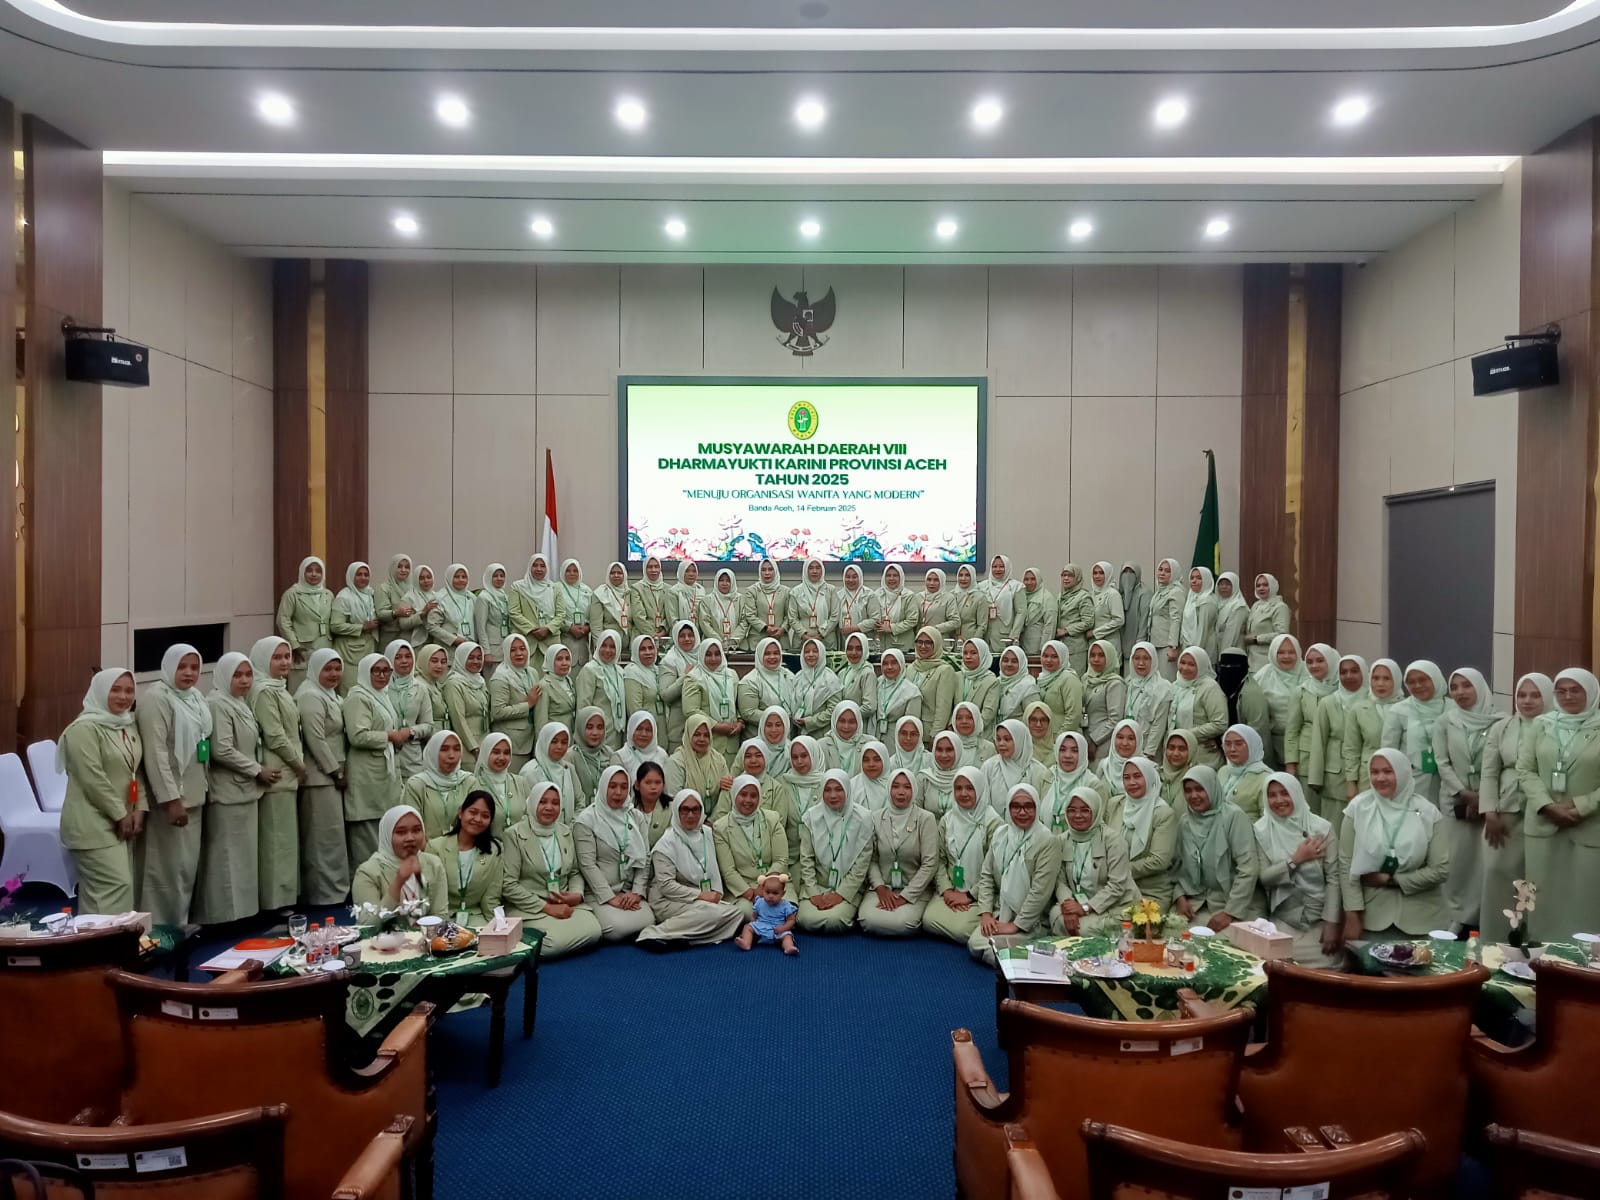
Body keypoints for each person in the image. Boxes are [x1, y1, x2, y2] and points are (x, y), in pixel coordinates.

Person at [1516, 668, 1600, 942]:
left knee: (1585, 901)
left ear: (1591, 692)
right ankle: (1539, 957)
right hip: (1543, 825)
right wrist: (1547, 805)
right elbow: (1525, 770)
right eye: (1561, 690)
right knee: (1541, 900)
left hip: (1588, 827)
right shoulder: (1541, 724)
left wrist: (1580, 805)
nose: (1567, 696)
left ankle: (1583, 960)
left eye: (1575, 690)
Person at [136, 644, 211, 927]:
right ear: (168, 667)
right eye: (182, 667)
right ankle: (160, 929)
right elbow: (156, 755)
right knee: (166, 869)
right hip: (172, 799)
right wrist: (171, 800)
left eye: (194, 667)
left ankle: (178, 923)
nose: (189, 673)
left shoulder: (194, 697)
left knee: (185, 868)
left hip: (195, 793)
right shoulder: (157, 699)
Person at [59, 668, 144, 915]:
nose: (123, 696)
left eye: (129, 690)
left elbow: (136, 771)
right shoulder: (82, 730)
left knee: (111, 891)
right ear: (99, 691)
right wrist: (120, 814)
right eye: (115, 690)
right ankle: (105, 938)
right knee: (115, 887)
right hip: (91, 823)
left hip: (121, 820)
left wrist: (140, 808)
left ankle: (109, 938)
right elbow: (93, 779)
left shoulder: (126, 724)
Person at [1340, 749, 1449, 940]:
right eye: (1374, 772)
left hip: (1422, 918)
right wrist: (1352, 914)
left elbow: (1440, 870)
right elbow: (1345, 865)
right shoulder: (1358, 809)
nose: (1380, 778)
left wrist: (1391, 880)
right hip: (1372, 917)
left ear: (1402, 772)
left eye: (1388, 771)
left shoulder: (1428, 812)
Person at [1477, 673, 1554, 943]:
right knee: (1497, 874)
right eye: (1521, 695)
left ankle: (1532, 939)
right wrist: (1489, 810)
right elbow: (1489, 772)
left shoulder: (1555, 727)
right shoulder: (1502, 728)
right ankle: (1497, 939)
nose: (1527, 701)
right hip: (1504, 813)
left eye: (1535, 695)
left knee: (1534, 880)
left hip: (1542, 813)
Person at [195, 652, 270, 925]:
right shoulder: (218, 704)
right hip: (227, 792)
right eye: (237, 675)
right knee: (225, 857)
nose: (244, 680)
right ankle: (222, 917)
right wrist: (257, 769)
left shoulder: (239, 702)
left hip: (245, 791)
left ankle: (242, 914)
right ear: (225, 676)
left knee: (242, 857)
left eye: (248, 674)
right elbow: (221, 750)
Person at [500, 782, 603, 957]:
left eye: (555, 803)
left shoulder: (564, 831)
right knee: (551, 943)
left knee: (595, 931)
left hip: (563, 902)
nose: (549, 807)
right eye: (542, 802)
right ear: (533, 803)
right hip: (530, 906)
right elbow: (509, 884)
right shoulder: (514, 835)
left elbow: (575, 872)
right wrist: (546, 907)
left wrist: (577, 894)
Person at [1254, 772, 1343, 967]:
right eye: (1272, 795)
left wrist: (1331, 923)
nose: (1279, 800)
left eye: (1285, 793)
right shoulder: (1261, 830)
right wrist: (1296, 860)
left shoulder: (1322, 828)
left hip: (1317, 917)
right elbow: (1264, 878)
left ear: (1296, 793)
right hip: (1285, 917)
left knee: (1330, 962)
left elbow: (1334, 878)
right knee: (1273, 961)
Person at [1434, 667, 1498, 933]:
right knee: (1457, 860)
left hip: (1490, 802)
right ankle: (1456, 916)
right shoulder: (1445, 721)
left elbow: (1502, 763)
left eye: (1467, 685)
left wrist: (1483, 798)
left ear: (1480, 687)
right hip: (1456, 800)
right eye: (1455, 687)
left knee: (1486, 861)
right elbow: (1441, 762)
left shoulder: (1500, 721)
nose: (1460, 692)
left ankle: (1484, 916)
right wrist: (1464, 793)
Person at [969, 784, 1062, 964]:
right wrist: (986, 914)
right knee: (975, 944)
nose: (1022, 812)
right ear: (1008, 808)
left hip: (1032, 921)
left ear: (1037, 807)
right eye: (1016, 806)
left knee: (989, 951)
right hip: (1001, 912)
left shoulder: (1047, 841)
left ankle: (1031, 954)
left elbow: (1040, 891)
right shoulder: (1001, 834)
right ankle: (1025, 956)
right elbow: (987, 876)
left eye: (1028, 806)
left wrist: (1016, 925)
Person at [638, 790, 746, 946]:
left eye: (695, 810)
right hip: (668, 900)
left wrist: (713, 893)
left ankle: (686, 939)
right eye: (685, 810)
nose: (690, 815)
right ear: (677, 811)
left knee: (736, 914)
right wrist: (701, 895)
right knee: (712, 913)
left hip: (701, 898)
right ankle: (654, 934)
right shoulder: (666, 844)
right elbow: (667, 886)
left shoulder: (707, 833)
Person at [1171, 765, 1262, 931]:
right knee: (1169, 935)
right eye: (1188, 791)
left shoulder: (1234, 817)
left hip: (1229, 904)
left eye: (1200, 789)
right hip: (1195, 902)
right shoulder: (1185, 822)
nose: (1194, 796)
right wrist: (1180, 897)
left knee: (1222, 942)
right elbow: (1177, 868)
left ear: (1212, 788)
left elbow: (1248, 869)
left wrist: (1230, 913)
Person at [249, 637, 304, 913]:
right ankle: (275, 902)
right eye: (277, 657)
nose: (284, 662)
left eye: (287, 656)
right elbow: (275, 736)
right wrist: (298, 764)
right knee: (276, 841)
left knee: (286, 840)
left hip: (288, 773)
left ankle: (285, 896)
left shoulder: (278, 687)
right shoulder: (263, 691)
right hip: (278, 773)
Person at [572, 765, 655, 942]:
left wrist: (637, 892)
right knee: (616, 928)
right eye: (612, 786)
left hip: (628, 891)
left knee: (649, 919)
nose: (618, 792)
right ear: (603, 787)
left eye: (624, 787)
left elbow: (645, 857)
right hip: (599, 894)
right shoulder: (586, 820)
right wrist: (610, 897)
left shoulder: (635, 817)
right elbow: (587, 865)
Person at [294, 649, 350, 905]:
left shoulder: (330, 694)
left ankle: (334, 891)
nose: (334, 674)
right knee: (321, 839)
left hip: (332, 776)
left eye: (337, 669)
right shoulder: (310, 695)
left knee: (332, 836)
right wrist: (334, 770)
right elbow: (315, 739)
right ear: (316, 669)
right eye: (328, 669)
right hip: (319, 777)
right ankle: (322, 895)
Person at [342, 652, 410, 865]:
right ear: (365, 672)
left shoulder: (380, 695)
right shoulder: (358, 697)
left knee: (382, 838)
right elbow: (357, 735)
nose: (382, 675)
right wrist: (390, 736)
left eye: (386, 671)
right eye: (376, 671)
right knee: (366, 844)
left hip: (382, 775)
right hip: (366, 776)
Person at [859, 767, 940, 936]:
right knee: (867, 919)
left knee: (902, 923)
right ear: (888, 789)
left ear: (914, 790)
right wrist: (880, 888)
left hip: (915, 889)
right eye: (895, 786)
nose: (901, 792)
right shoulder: (876, 817)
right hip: (883, 887)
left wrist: (905, 896)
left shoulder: (926, 818)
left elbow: (930, 863)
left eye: (907, 787)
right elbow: (871, 859)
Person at [921, 768, 998, 944]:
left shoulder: (993, 823)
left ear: (980, 789)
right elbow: (939, 860)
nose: (963, 793)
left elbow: (994, 870)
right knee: (928, 920)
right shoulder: (947, 820)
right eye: (958, 788)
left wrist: (969, 896)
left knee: (961, 928)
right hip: (952, 888)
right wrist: (947, 890)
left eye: (970, 788)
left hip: (980, 894)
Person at [1051, 786, 1137, 938]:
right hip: (1077, 904)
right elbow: (1060, 881)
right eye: (1072, 810)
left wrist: (1085, 908)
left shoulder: (1113, 841)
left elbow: (1117, 885)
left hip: (1113, 906)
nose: (1078, 815)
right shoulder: (1061, 840)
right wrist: (1069, 906)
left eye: (1085, 810)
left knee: (1085, 930)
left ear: (1096, 811)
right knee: (1056, 915)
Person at [796, 770, 875, 933]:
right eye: (827, 790)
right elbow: (806, 860)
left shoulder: (864, 818)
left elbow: (861, 865)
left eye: (839, 789)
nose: (833, 795)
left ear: (847, 789)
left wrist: (840, 894)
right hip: (819, 885)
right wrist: (813, 893)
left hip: (847, 888)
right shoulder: (811, 817)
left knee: (835, 920)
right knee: (805, 919)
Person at [351, 805, 447, 916]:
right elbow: (368, 922)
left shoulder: (433, 864)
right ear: (387, 835)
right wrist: (399, 881)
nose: (410, 838)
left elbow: (440, 915)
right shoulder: (367, 873)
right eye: (401, 832)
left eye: (417, 830)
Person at [715, 775, 791, 913]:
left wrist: (768, 886)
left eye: (753, 796)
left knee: (787, 910)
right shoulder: (721, 828)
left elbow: (781, 859)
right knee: (748, 912)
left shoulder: (772, 819)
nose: (748, 800)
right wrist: (751, 893)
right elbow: (728, 871)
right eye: (743, 795)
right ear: (734, 795)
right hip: (745, 888)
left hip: (776, 882)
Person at [428, 791, 504, 928]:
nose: (478, 819)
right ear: (460, 812)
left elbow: (491, 898)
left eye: (485, 816)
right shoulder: (435, 847)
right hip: (443, 918)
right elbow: (432, 896)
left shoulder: (495, 851)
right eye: (473, 812)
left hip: (476, 918)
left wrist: (497, 927)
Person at [1309, 653, 1367, 828]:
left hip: (1365, 775)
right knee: (1334, 828)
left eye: (1354, 671)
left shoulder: (1372, 701)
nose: (1348, 676)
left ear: (1364, 672)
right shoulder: (1328, 703)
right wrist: (1316, 779)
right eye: (1343, 672)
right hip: (1334, 779)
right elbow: (1318, 742)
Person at [1382, 659, 1448, 806]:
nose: (1417, 685)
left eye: (1423, 680)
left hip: (1447, 784)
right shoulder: (1399, 710)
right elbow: (1389, 753)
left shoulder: (1453, 708)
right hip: (1411, 783)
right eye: (1411, 682)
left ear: (1435, 678)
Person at [1285, 643, 1339, 812]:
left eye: (1320, 660)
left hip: (1334, 759)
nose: (1314, 665)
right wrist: (1291, 765)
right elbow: (1292, 730)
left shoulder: (1342, 689)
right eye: (1309, 661)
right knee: (1309, 810)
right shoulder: (1300, 691)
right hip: (1306, 761)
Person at [1343, 657, 1403, 799]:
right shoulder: (1358, 709)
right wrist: (1351, 782)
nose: (1380, 684)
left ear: (1396, 680)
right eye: (1376, 678)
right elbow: (1351, 749)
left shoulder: (1407, 708)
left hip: (1400, 775)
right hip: (1368, 776)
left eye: (1386, 678)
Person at [1122, 756, 1177, 908]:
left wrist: (1118, 870)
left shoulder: (1163, 814)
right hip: (1117, 889)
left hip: (1151, 891)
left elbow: (1158, 861)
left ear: (1149, 777)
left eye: (1137, 776)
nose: (1131, 782)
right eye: (1126, 777)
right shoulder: (1116, 805)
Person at [277, 556, 335, 691]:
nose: (314, 574)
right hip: (302, 650)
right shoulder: (292, 594)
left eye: (318, 571)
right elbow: (283, 621)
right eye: (309, 570)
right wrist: (294, 645)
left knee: (323, 687)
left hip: (325, 646)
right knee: (300, 689)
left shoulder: (328, 594)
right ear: (302, 572)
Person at [402, 731, 472, 838]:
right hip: (427, 846)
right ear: (433, 752)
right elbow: (411, 828)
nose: (451, 756)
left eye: (457, 749)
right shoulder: (416, 785)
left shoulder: (469, 781)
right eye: (444, 749)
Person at [682, 638, 744, 760]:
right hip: (707, 741)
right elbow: (690, 710)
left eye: (717, 654)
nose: (713, 659)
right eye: (708, 654)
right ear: (701, 655)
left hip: (731, 743)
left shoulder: (732, 675)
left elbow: (738, 704)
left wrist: (740, 722)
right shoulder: (694, 678)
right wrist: (716, 726)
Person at [488, 633, 541, 771]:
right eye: (513, 650)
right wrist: (528, 705)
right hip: (512, 743)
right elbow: (498, 712)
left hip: (531, 739)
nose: (519, 653)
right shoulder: (500, 678)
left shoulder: (532, 672)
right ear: (506, 652)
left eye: (522, 649)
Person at [1168, 647, 1228, 766]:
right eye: (1182, 662)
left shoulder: (1210, 688)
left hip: (1202, 755)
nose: (1185, 668)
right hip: (1176, 752)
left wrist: (1187, 735)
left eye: (1191, 664)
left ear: (1201, 665)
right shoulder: (1176, 685)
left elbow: (1220, 723)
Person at [666, 713, 733, 819]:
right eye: (697, 734)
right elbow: (674, 799)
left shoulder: (718, 759)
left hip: (715, 822)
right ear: (688, 734)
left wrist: (712, 821)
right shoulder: (676, 762)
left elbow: (726, 794)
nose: (702, 739)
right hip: (685, 819)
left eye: (706, 735)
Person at [1215, 648, 1274, 766]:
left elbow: (1258, 732)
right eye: (1224, 666)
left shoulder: (1252, 694)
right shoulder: (1215, 686)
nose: (1228, 669)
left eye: (1233, 666)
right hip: (1219, 753)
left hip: (1247, 757)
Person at [1255, 633, 1307, 767]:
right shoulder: (1263, 675)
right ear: (1273, 653)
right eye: (1281, 652)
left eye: (1291, 652)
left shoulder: (1309, 673)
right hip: (1273, 744)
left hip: (1306, 744)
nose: (1286, 656)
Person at [384, 641, 434, 778]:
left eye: (408, 656)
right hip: (385, 753)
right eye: (398, 657)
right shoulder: (382, 687)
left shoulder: (420, 688)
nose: (404, 661)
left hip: (411, 755)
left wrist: (411, 732)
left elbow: (429, 725)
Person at [331, 562, 381, 693]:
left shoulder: (371, 594)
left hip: (368, 648)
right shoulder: (344, 596)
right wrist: (362, 627)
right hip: (349, 652)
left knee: (368, 688)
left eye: (366, 575)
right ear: (351, 576)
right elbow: (335, 626)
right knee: (350, 689)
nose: (363, 578)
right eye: (359, 574)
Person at [520, 722, 584, 822]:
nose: (559, 746)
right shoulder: (529, 772)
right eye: (554, 741)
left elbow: (580, 802)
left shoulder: (568, 768)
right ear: (545, 741)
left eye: (564, 742)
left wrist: (572, 826)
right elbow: (524, 809)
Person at [576, 631, 627, 750]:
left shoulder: (619, 671)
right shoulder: (590, 670)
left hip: (617, 733)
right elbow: (583, 707)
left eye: (612, 646)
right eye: (604, 645)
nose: (608, 650)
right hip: (596, 734)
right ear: (598, 646)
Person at [1123, 643, 1174, 758]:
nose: (1141, 663)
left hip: (1148, 750)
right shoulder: (1128, 683)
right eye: (1137, 658)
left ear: (1154, 660)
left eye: (1146, 658)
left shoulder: (1162, 688)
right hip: (1127, 745)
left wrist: (1149, 752)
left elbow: (1159, 724)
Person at [509, 555, 562, 663]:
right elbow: (514, 612)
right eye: (535, 565)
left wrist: (547, 629)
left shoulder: (555, 588)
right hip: (526, 642)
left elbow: (561, 614)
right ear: (529, 567)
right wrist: (532, 629)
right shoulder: (518, 587)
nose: (539, 569)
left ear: (547, 568)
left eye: (542, 566)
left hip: (550, 642)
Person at [441, 642, 490, 758]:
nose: (476, 661)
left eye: (479, 658)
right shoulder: (454, 684)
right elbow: (458, 719)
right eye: (471, 658)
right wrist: (474, 747)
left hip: (485, 741)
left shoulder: (480, 681)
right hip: (467, 746)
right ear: (461, 658)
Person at [985, 719, 1048, 809]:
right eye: (998, 739)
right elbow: (984, 803)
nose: (1001, 743)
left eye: (1007, 739)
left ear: (1020, 740)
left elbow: (1044, 807)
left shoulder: (1039, 771)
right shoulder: (989, 767)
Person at [1041, 731, 1097, 831]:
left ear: (1083, 753)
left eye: (1075, 751)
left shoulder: (1093, 785)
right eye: (1062, 750)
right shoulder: (1046, 777)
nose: (1067, 755)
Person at [474, 733, 526, 836]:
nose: (501, 758)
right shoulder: (474, 784)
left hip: (518, 844)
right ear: (486, 752)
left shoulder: (520, 782)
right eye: (496, 752)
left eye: (506, 753)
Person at [658, 621, 699, 751]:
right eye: (682, 636)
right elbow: (666, 695)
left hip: (701, 726)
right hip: (679, 728)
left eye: (690, 635)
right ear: (675, 637)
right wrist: (685, 677)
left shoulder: (704, 656)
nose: (687, 639)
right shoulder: (669, 661)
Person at [1082, 640, 1126, 759]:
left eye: (1101, 655)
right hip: (1084, 737)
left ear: (1110, 656)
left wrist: (1094, 741)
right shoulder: (1086, 678)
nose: (1096, 659)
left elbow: (1115, 719)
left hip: (1103, 742)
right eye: (1092, 655)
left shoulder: (1115, 683)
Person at [1218, 724, 1272, 821]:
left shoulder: (1266, 778)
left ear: (1252, 745)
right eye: (1228, 744)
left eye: (1238, 744)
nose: (1232, 749)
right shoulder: (1223, 771)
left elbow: (1268, 821)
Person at [735, 873, 800, 954]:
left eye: (775, 893)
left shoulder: (786, 906)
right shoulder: (759, 902)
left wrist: (783, 928)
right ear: (763, 890)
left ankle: (788, 947)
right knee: (747, 927)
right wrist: (752, 925)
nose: (770, 896)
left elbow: (791, 920)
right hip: (761, 928)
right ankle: (746, 942)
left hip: (778, 930)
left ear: (783, 893)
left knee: (787, 936)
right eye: (767, 892)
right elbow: (754, 916)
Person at [791, 637, 842, 737]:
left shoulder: (830, 678)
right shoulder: (798, 677)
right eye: (807, 652)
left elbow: (833, 710)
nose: (811, 655)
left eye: (815, 651)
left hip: (822, 734)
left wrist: (809, 722)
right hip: (799, 733)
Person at [911, 627, 957, 740]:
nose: (923, 646)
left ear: (936, 644)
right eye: (919, 642)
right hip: (910, 731)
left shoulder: (945, 670)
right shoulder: (911, 668)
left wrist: (935, 734)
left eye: (928, 642)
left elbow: (943, 708)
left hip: (929, 732)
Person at [623, 635, 669, 748]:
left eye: (650, 648)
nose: (648, 652)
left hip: (661, 727)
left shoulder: (657, 670)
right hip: (643, 731)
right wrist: (644, 730)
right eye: (642, 649)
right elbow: (634, 710)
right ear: (635, 651)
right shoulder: (632, 672)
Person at [1243, 574, 1292, 672]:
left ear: (1273, 586)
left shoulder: (1280, 607)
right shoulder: (1256, 605)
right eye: (1258, 585)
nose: (1261, 588)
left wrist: (1257, 639)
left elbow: (1282, 634)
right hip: (1251, 659)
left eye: (1265, 585)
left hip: (1267, 660)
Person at [1146, 558, 1185, 681]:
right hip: (1155, 643)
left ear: (1174, 574)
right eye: (1160, 570)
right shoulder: (1160, 591)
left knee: (1166, 680)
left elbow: (1176, 619)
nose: (1162, 573)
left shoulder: (1176, 591)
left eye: (1167, 571)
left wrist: (1173, 647)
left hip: (1166, 645)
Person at [1035, 640, 1083, 736]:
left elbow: (1074, 715)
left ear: (1062, 657)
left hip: (1064, 737)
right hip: (1046, 736)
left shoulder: (1069, 679)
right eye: (1045, 656)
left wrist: (1060, 737)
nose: (1049, 660)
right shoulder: (1042, 678)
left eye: (1054, 656)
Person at [787, 557, 837, 649]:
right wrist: (804, 635)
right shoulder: (796, 591)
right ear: (805, 570)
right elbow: (792, 618)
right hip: (801, 641)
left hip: (826, 640)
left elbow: (835, 616)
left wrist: (821, 635)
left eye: (818, 568)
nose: (814, 571)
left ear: (822, 570)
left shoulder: (831, 590)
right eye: (811, 568)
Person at [740, 559, 790, 650]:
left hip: (780, 638)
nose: (767, 573)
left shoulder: (786, 591)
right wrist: (766, 628)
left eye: (770, 569)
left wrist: (782, 629)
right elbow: (750, 615)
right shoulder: (751, 591)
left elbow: (789, 615)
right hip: (757, 640)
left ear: (776, 571)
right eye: (763, 570)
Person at [1055, 564, 1096, 673]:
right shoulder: (1061, 595)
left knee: (1075, 677)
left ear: (1077, 577)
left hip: (1076, 648)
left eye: (1070, 575)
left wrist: (1066, 630)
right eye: (1064, 575)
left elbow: (1088, 622)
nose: (1066, 578)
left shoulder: (1083, 596)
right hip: (1061, 645)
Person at [474, 564, 512, 676]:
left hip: (506, 648)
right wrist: (486, 652)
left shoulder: (505, 597)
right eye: (495, 576)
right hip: (492, 650)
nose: (499, 578)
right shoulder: (483, 597)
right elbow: (481, 628)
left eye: (502, 576)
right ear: (488, 577)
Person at [836, 633, 879, 734]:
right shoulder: (843, 672)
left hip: (859, 727)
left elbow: (869, 707)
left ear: (865, 650)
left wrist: (847, 716)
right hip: (843, 726)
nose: (853, 652)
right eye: (850, 648)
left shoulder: (867, 673)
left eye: (858, 649)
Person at [428, 564, 478, 650]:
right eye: (456, 577)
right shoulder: (440, 598)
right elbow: (431, 626)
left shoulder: (472, 598)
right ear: (450, 578)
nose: (461, 580)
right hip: (449, 648)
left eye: (464, 577)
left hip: (470, 648)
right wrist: (454, 639)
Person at [556, 559, 595, 670]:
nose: (572, 573)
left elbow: (593, 614)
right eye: (568, 570)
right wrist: (569, 627)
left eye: (575, 570)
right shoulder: (556, 589)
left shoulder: (587, 590)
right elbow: (553, 615)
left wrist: (587, 627)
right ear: (563, 572)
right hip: (564, 641)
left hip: (583, 644)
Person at [533, 645, 578, 739]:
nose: (564, 663)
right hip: (554, 737)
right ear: (550, 661)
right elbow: (541, 721)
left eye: (567, 659)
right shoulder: (544, 685)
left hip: (570, 734)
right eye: (559, 659)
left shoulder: (568, 680)